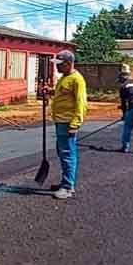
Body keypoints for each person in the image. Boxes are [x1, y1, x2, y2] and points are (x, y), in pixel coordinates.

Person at [44, 50, 87, 200]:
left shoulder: (77, 80)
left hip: (68, 122)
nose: (56, 68)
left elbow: (81, 103)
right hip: (60, 121)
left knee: (68, 154)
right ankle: (65, 181)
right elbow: (61, 94)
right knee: (62, 153)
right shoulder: (65, 78)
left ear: (69, 63)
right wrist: (50, 91)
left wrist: (75, 123)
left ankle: (68, 187)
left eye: (60, 65)